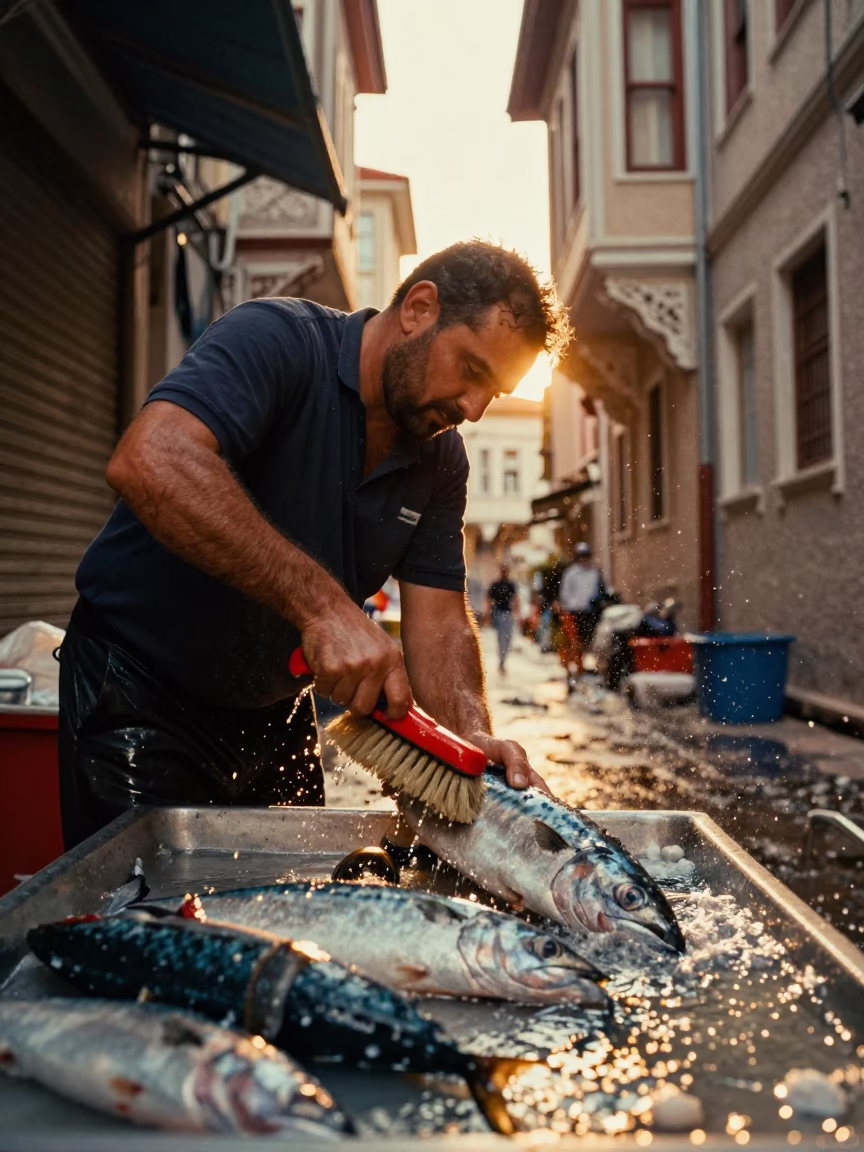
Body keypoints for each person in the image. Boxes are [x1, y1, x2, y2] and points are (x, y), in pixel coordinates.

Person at [58, 241, 572, 848]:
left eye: (496, 393)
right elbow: (150, 459)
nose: (475, 408)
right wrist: (324, 608)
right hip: (141, 692)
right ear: (419, 307)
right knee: (149, 923)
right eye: (474, 370)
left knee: (296, 918)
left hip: (276, 712)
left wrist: (469, 731)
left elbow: (438, 618)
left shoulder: (441, 458)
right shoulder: (276, 339)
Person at [556, 542, 607, 692]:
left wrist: (596, 602)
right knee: (573, 643)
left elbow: (601, 591)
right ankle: (573, 672)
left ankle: (582, 671)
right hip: (574, 613)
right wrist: (572, 606)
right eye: (582, 557)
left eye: (587, 557)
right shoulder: (571, 573)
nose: (585, 560)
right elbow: (565, 593)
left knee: (587, 643)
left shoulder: (594, 574)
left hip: (590, 613)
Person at [486, 564, 518, 674]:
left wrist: (517, 612)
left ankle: (503, 659)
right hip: (499, 614)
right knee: (501, 639)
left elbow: (516, 599)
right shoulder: (496, 585)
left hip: (508, 614)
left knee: (508, 638)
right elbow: (489, 600)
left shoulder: (511, 585)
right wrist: (488, 614)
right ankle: (501, 660)